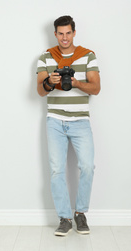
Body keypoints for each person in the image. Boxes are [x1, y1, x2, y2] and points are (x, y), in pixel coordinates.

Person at [36, 15, 101, 236]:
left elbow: (95, 88)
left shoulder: (88, 56)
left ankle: (80, 214)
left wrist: (75, 83)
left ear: (74, 33)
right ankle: (64, 218)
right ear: (55, 34)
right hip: (55, 120)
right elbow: (40, 91)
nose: (64, 37)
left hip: (81, 120)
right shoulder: (46, 57)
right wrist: (49, 82)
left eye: (68, 33)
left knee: (88, 167)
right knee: (56, 170)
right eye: (60, 33)